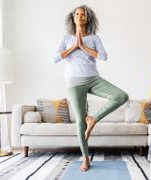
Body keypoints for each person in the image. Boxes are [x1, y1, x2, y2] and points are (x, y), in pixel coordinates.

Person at [52, 5, 129, 171]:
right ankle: (85, 158)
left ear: (87, 18)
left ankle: (93, 119)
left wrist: (84, 47)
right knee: (80, 121)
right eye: (77, 14)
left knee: (121, 96)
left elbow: (104, 56)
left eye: (83, 14)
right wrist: (74, 46)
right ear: (73, 18)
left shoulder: (94, 38)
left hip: (94, 79)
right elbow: (55, 58)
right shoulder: (66, 38)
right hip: (74, 82)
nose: (80, 16)